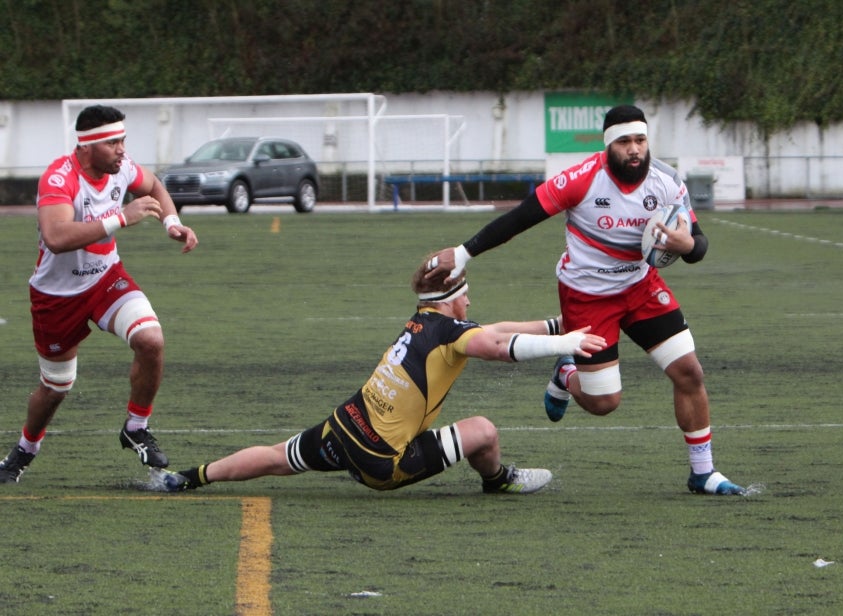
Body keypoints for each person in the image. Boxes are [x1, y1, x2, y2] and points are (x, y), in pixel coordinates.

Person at [425, 105, 745, 495]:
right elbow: (520, 219)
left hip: (641, 288)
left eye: (640, 140)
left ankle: (703, 473)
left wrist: (688, 243)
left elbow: (698, 245)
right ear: (608, 145)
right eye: (624, 141)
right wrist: (462, 253)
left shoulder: (667, 180)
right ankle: (566, 374)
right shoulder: (582, 179)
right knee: (604, 403)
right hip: (587, 296)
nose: (634, 150)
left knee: (690, 372)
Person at [151, 255, 605, 494]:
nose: (470, 302)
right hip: (381, 464)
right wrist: (562, 345)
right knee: (484, 431)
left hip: (342, 427)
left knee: (275, 457)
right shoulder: (452, 332)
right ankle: (498, 480)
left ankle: (193, 477)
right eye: (467, 295)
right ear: (453, 298)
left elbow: (496, 330)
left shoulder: (422, 321)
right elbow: (498, 346)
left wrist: (557, 325)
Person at [0, 105, 199, 484]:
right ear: (88, 147)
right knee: (56, 388)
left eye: (123, 140)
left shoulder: (120, 167)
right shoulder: (59, 178)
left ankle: (136, 427)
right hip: (56, 297)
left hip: (106, 279)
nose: (122, 150)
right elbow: (56, 237)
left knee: (151, 340)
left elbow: (154, 185)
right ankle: (25, 450)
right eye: (113, 142)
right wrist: (121, 217)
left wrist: (172, 222)